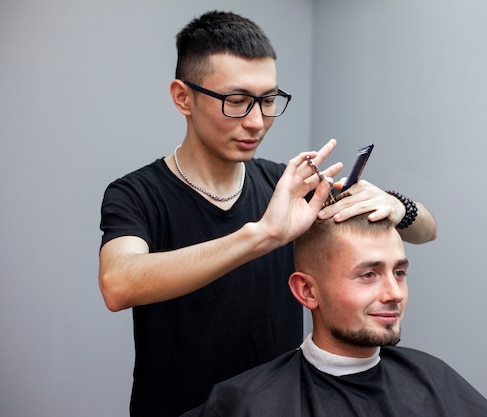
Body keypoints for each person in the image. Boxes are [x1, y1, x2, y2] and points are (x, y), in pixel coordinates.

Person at [99, 10, 437, 417]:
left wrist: (398, 206)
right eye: (236, 102)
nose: (257, 122)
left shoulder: (286, 188)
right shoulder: (138, 194)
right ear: (183, 97)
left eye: (269, 101)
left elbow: (426, 231)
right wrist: (263, 235)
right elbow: (119, 284)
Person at [190, 214, 487, 417]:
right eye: (368, 274)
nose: (394, 293)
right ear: (307, 292)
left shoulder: (433, 378)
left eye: (400, 272)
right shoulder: (246, 403)